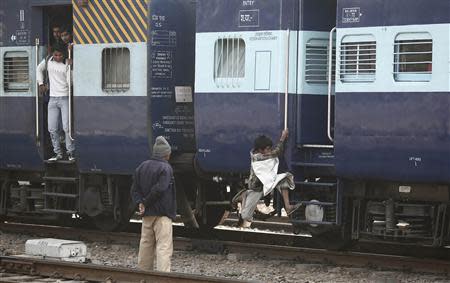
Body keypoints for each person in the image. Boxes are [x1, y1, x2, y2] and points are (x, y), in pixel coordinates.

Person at [234, 129, 301, 228]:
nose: (270, 150)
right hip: (256, 189)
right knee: (246, 216)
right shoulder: (259, 157)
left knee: (283, 178)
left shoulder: (259, 153)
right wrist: (283, 137)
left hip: (264, 184)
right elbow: (277, 151)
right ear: (260, 150)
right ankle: (241, 197)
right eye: (268, 148)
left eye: (270, 148)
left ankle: (288, 207)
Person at [130, 136, 176, 272]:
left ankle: (144, 275)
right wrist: (145, 202)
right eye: (169, 153)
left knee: (145, 244)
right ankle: (163, 277)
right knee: (163, 247)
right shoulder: (165, 168)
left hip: (147, 214)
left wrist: (140, 203)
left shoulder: (141, 167)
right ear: (165, 154)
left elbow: (134, 190)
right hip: (162, 215)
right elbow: (160, 189)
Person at [37, 46, 75, 161]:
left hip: (65, 98)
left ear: (63, 55)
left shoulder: (67, 64)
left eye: (60, 55)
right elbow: (39, 69)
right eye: (56, 55)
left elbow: (71, 82)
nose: (57, 57)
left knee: (66, 127)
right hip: (52, 99)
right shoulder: (48, 60)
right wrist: (41, 83)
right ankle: (57, 153)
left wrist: (71, 67)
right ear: (52, 54)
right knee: (52, 128)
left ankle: (70, 152)